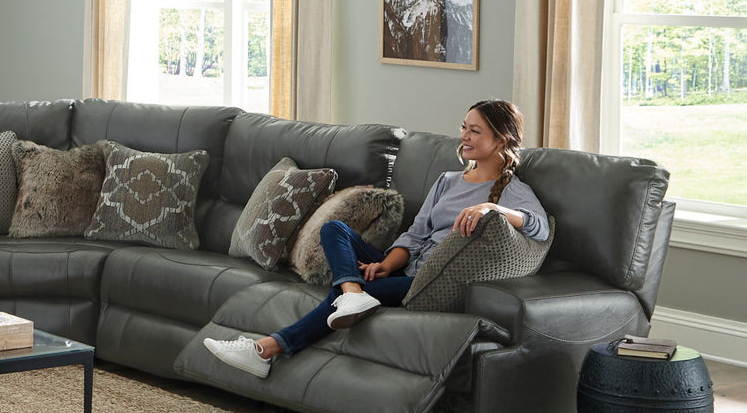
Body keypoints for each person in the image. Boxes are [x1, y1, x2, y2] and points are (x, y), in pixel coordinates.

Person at [205, 99, 549, 378]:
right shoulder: (447, 180)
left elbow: (539, 228)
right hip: (404, 268)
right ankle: (352, 292)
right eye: (464, 127)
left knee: (339, 295)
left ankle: (266, 348)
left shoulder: (512, 190)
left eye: (475, 131)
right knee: (334, 229)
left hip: (428, 283)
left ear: (501, 140)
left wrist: (493, 207)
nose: (464, 136)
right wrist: (386, 264)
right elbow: (416, 234)